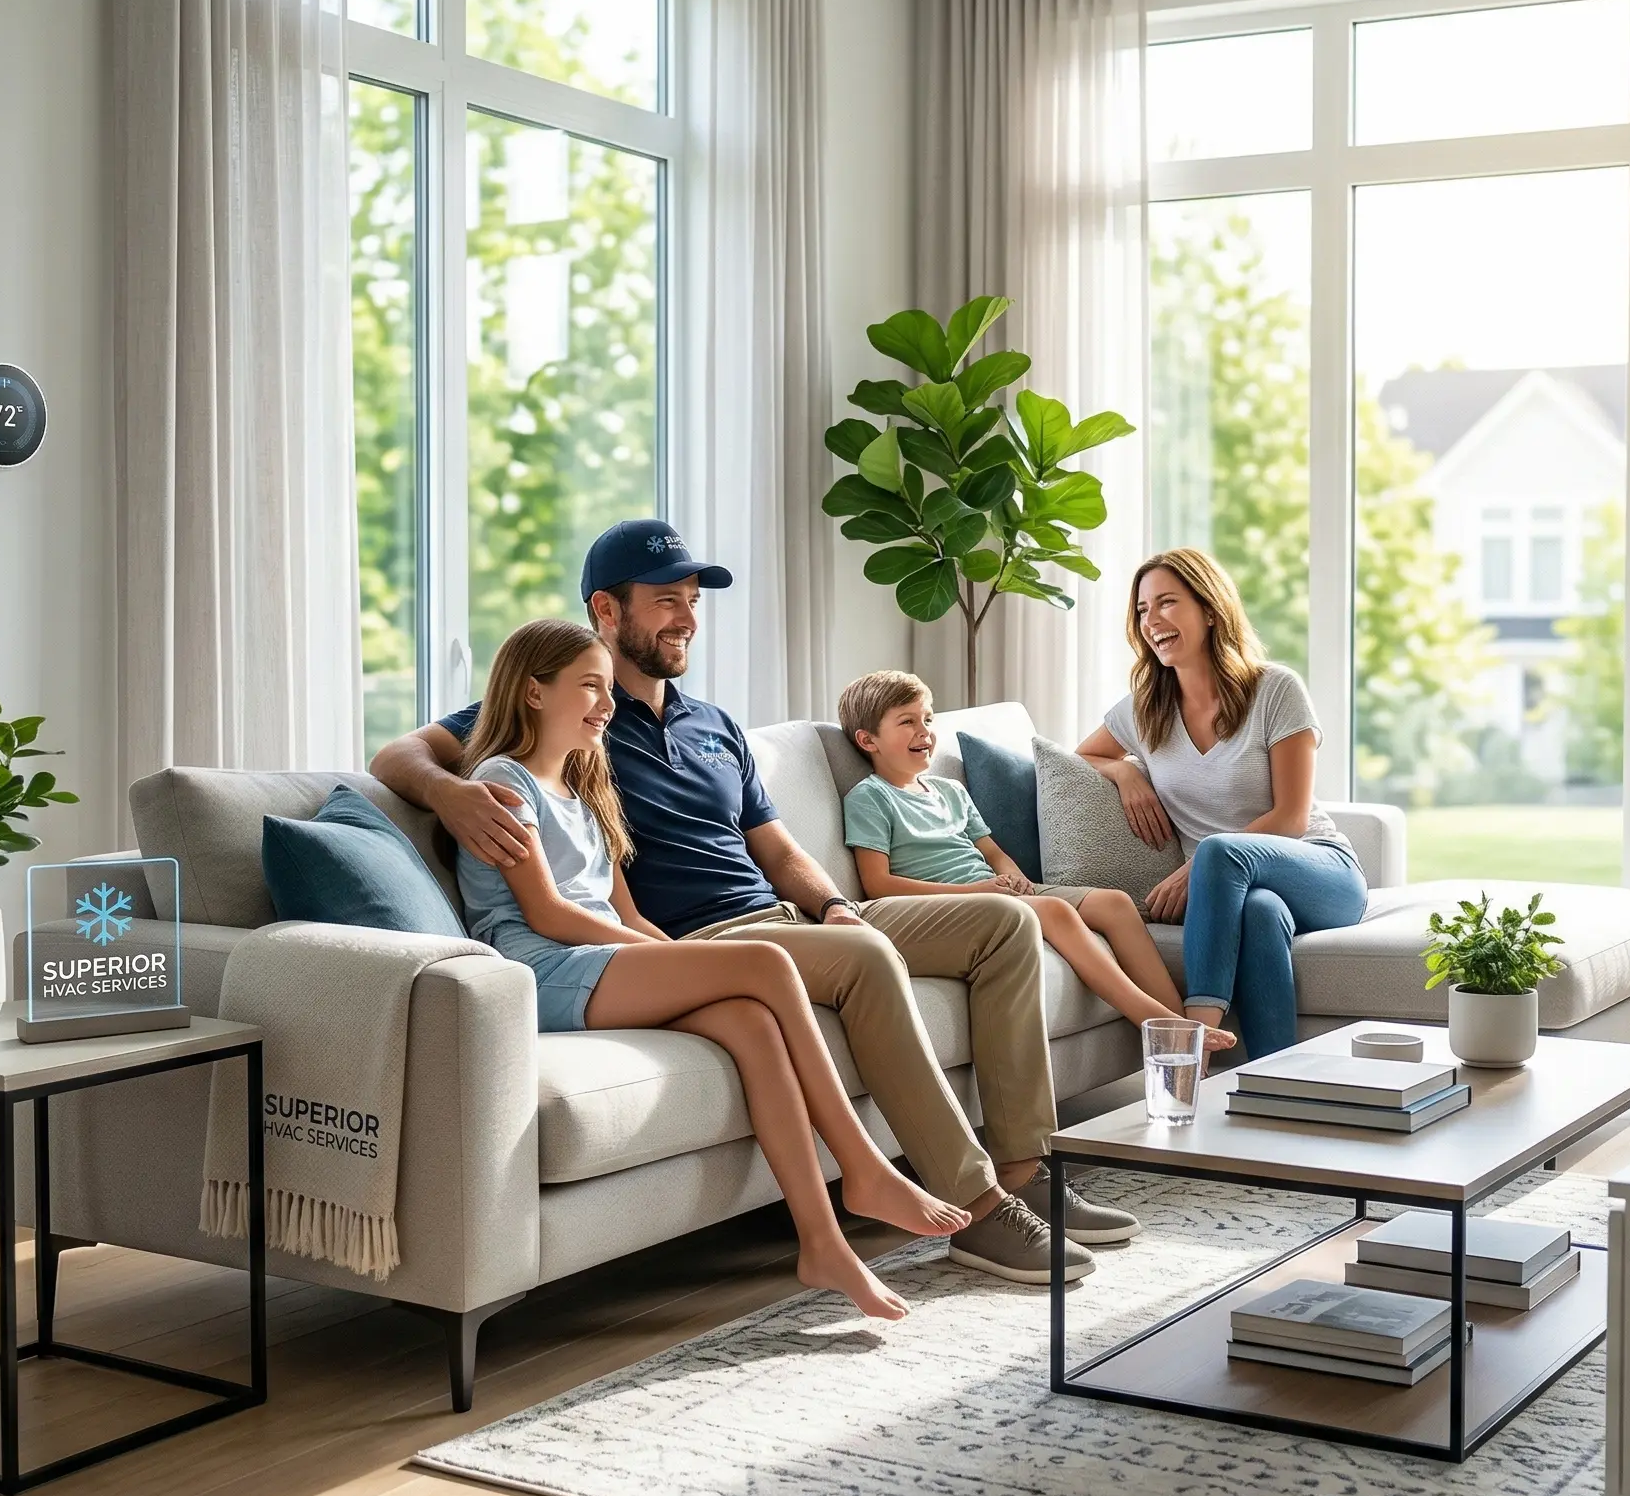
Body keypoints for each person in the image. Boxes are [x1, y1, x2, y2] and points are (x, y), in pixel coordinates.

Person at [371, 518, 1138, 1284]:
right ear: (607, 610)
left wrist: (835, 904)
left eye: (694, 601)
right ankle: (976, 1208)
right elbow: (397, 755)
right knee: (865, 956)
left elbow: (773, 846)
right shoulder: (572, 716)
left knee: (1001, 924)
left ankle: (1024, 1170)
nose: (687, 618)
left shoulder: (713, 725)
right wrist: (449, 793)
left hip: (794, 919)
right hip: (697, 941)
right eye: (667, 600)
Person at [453, 619, 970, 1320]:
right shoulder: (503, 783)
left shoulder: (584, 781)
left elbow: (626, 911)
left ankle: (821, 1243)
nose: (606, 704)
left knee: (752, 1021)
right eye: (589, 687)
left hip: (597, 955)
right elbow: (546, 914)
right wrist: (668, 958)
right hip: (542, 971)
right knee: (764, 963)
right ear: (534, 692)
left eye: (608, 687)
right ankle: (864, 1168)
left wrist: (666, 952)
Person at [837, 669, 1231, 1054]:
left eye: (927, 718)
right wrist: (977, 891)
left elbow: (991, 853)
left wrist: (1013, 878)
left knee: (1116, 903)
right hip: (954, 904)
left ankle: (1189, 1043)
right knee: (1056, 912)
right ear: (867, 740)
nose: (924, 731)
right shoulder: (870, 798)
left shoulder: (949, 790)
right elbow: (878, 884)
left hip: (997, 891)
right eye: (907, 722)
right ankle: (1161, 1026)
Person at [1076, 547, 1368, 1058]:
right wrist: (1124, 771)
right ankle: (1276, 1079)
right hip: (1239, 890)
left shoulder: (1275, 689)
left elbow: (1292, 817)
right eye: (1143, 610)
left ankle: (1192, 1046)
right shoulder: (1146, 711)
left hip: (1321, 870)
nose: (1153, 621)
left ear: (1209, 611)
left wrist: (1201, 869)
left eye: (1167, 602)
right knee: (1258, 913)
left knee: (1216, 850)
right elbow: (1081, 757)